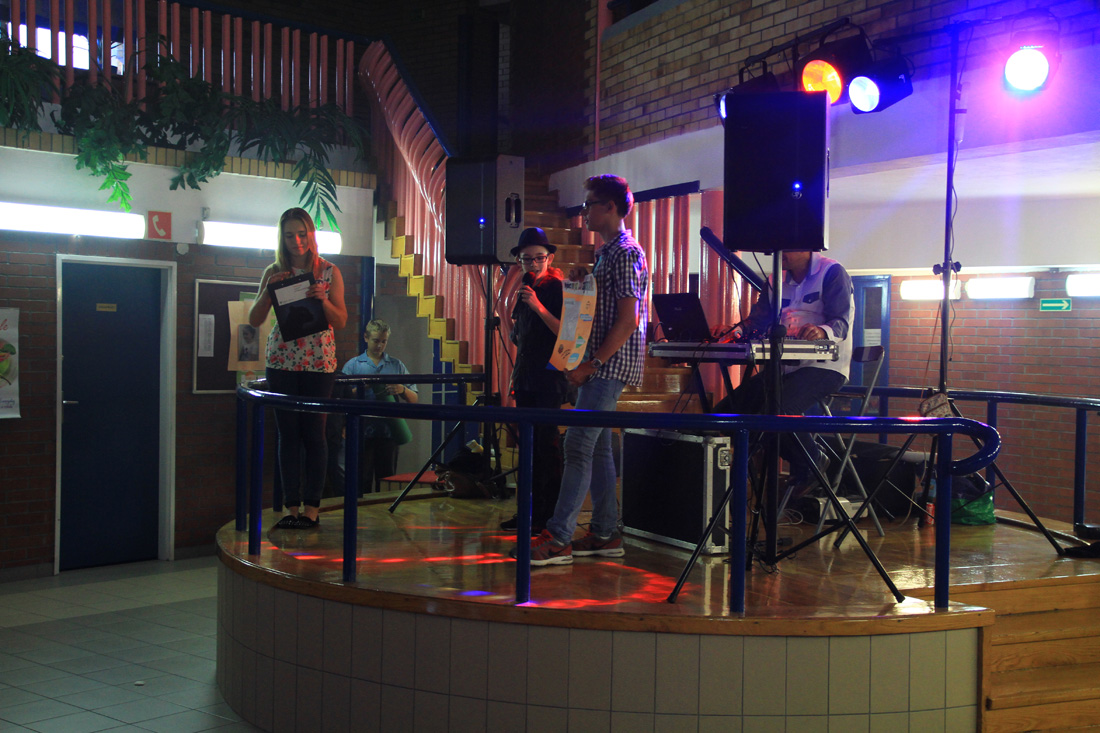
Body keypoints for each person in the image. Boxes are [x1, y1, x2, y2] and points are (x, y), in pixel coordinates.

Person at [522, 174, 649, 566]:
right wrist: (584, 282)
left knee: (577, 444)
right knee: (597, 448)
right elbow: (605, 307)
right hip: (602, 363)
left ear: (610, 207)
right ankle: (606, 532)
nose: (583, 212)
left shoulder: (625, 252)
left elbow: (628, 319)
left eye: (589, 204)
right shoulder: (610, 252)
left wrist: (593, 363)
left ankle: (559, 537)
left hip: (607, 365)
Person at [713, 249, 854, 496]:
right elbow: (757, 322)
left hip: (824, 368)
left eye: (785, 247)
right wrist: (734, 332)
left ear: (805, 245)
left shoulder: (832, 272)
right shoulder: (774, 280)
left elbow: (841, 322)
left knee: (776, 410)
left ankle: (808, 461)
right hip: (782, 368)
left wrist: (822, 331)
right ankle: (806, 458)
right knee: (727, 410)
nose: (778, 253)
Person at [249, 208, 347, 530]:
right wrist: (268, 291)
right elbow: (254, 319)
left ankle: (312, 509)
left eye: (302, 234)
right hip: (282, 361)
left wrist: (323, 300)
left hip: (319, 362)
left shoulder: (329, 271)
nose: (297, 241)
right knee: (287, 434)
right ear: (282, 237)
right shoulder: (273, 271)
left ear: (311, 235)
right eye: (290, 235)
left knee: (315, 435)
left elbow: (341, 321)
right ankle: (291, 507)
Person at [502, 227, 567, 535]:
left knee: (546, 447)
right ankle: (527, 513)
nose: (533, 263)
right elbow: (520, 335)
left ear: (549, 258)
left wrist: (538, 307)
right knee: (527, 447)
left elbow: (565, 332)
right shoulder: (525, 287)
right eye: (527, 259)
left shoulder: (556, 288)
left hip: (549, 378)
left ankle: (547, 517)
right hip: (527, 376)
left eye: (539, 257)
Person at [341, 319, 419, 494]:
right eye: (376, 340)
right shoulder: (353, 366)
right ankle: (360, 509)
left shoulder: (396, 365)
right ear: (366, 338)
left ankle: (385, 509)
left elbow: (414, 399)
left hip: (389, 430)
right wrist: (362, 388)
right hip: (361, 430)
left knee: (387, 479)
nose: (380, 345)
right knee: (361, 478)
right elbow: (341, 397)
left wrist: (402, 389)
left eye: (384, 341)